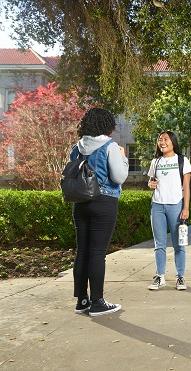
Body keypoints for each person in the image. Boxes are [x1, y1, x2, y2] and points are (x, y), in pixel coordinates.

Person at [71, 108, 129, 316]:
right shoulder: (110, 146)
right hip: (103, 201)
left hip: (80, 203)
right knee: (97, 253)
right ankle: (97, 302)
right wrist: (123, 157)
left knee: (83, 251)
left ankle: (82, 300)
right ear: (107, 125)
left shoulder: (77, 147)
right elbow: (119, 177)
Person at [147, 130, 191, 291]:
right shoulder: (156, 162)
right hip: (157, 206)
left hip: (176, 206)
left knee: (179, 244)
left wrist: (186, 207)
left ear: (173, 142)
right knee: (159, 244)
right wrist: (150, 184)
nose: (162, 142)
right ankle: (160, 276)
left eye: (165, 139)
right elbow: (151, 181)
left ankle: (180, 277)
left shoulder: (182, 160)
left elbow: (186, 186)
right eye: (160, 139)